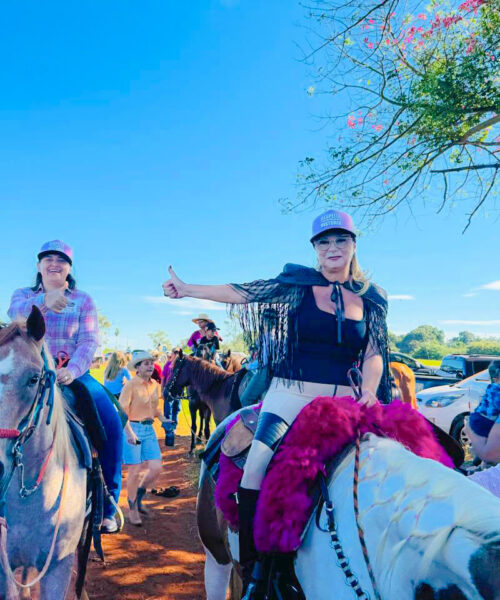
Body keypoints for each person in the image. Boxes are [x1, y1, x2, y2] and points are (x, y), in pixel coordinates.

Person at [162, 209, 391, 595]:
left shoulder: (372, 298)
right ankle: (257, 571)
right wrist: (188, 289)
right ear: (315, 249)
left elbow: (373, 352)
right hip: (290, 395)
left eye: (341, 240)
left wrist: (369, 388)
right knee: (255, 469)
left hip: (345, 404)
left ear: (353, 246)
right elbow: (243, 292)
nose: (332, 247)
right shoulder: (296, 284)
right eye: (324, 241)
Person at [8, 240, 124, 533]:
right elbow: (15, 314)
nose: (53, 263)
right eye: (47, 258)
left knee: (111, 422)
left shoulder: (83, 300)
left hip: (72, 373)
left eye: (61, 260)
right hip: (31, 370)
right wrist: (45, 302)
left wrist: (72, 370)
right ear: (38, 266)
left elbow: (88, 341)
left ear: (69, 269)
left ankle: (108, 502)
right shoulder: (23, 295)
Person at [120, 350, 172, 525]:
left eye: (151, 362)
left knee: (156, 467)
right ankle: (132, 509)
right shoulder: (130, 385)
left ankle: (139, 497)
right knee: (134, 472)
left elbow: (155, 408)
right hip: (132, 428)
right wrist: (129, 433)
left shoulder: (155, 385)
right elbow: (122, 412)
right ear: (137, 367)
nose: (150, 365)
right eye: (145, 363)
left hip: (149, 431)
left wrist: (164, 418)